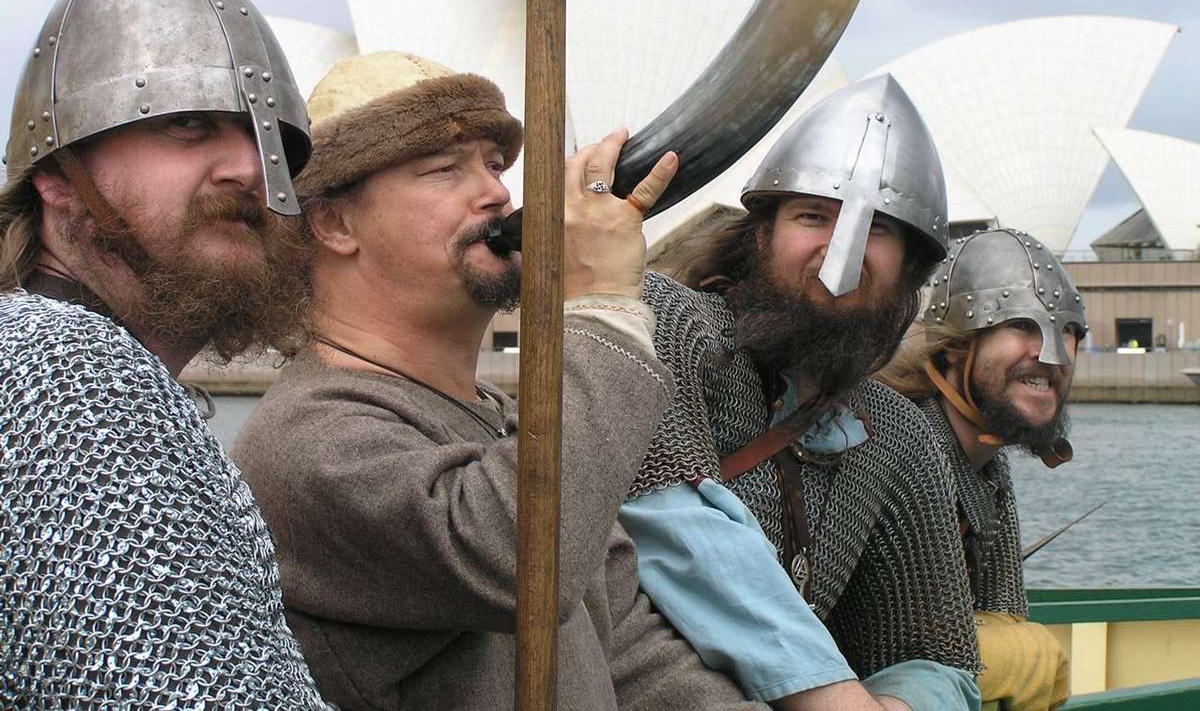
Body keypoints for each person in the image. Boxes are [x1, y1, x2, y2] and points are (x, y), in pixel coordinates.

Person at [231, 50, 768, 711]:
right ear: (336, 223)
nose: (496, 193)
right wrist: (601, 303)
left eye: (491, 164)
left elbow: (626, 650)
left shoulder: (503, 420)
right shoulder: (304, 440)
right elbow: (519, 562)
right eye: (443, 170)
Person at [0, 0, 329, 707]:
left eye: (266, 138)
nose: (248, 169)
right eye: (187, 126)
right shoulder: (63, 372)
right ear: (57, 180)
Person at [620, 74, 982, 711]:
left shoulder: (899, 433)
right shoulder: (667, 324)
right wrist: (830, 697)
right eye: (813, 216)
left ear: (911, 267)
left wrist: (901, 703)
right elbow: (665, 515)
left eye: (875, 230)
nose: (838, 250)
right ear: (763, 234)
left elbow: (937, 657)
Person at [877, 227, 1083, 711]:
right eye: (1021, 325)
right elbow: (845, 638)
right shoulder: (885, 442)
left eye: (1066, 330)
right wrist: (1016, 656)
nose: (1050, 353)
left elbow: (998, 610)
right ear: (955, 345)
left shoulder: (990, 470)